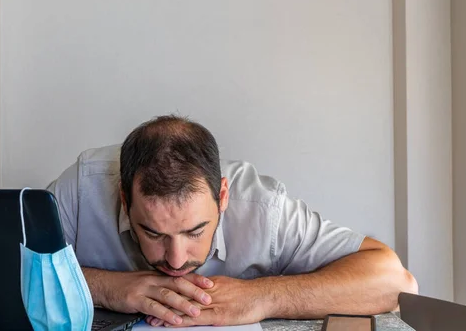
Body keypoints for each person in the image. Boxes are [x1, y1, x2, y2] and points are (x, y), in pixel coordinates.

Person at [48, 115, 418, 327]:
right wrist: (103, 287)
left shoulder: (262, 207)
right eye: (153, 233)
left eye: (195, 231)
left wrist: (263, 297)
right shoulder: (82, 189)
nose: (176, 260)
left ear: (222, 197)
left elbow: (393, 281)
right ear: (126, 202)